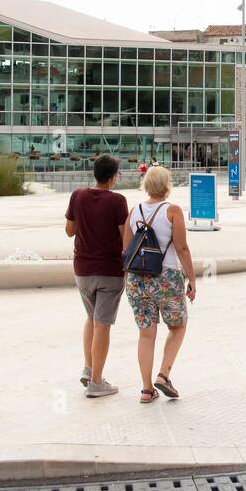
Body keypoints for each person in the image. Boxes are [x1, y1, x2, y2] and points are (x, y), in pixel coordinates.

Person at [123, 166, 198, 404]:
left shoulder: (134, 211)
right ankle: (164, 375)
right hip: (166, 279)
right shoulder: (172, 211)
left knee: (146, 334)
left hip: (137, 280)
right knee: (178, 326)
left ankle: (146, 390)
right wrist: (192, 279)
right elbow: (182, 248)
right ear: (167, 185)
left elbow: (126, 249)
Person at [65, 154, 129, 398]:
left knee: (91, 318)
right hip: (109, 272)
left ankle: (89, 367)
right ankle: (97, 382)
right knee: (103, 325)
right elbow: (125, 238)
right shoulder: (117, 201)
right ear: (113, 177)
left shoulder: (77, 195)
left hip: (82, 269)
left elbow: (69, 231)